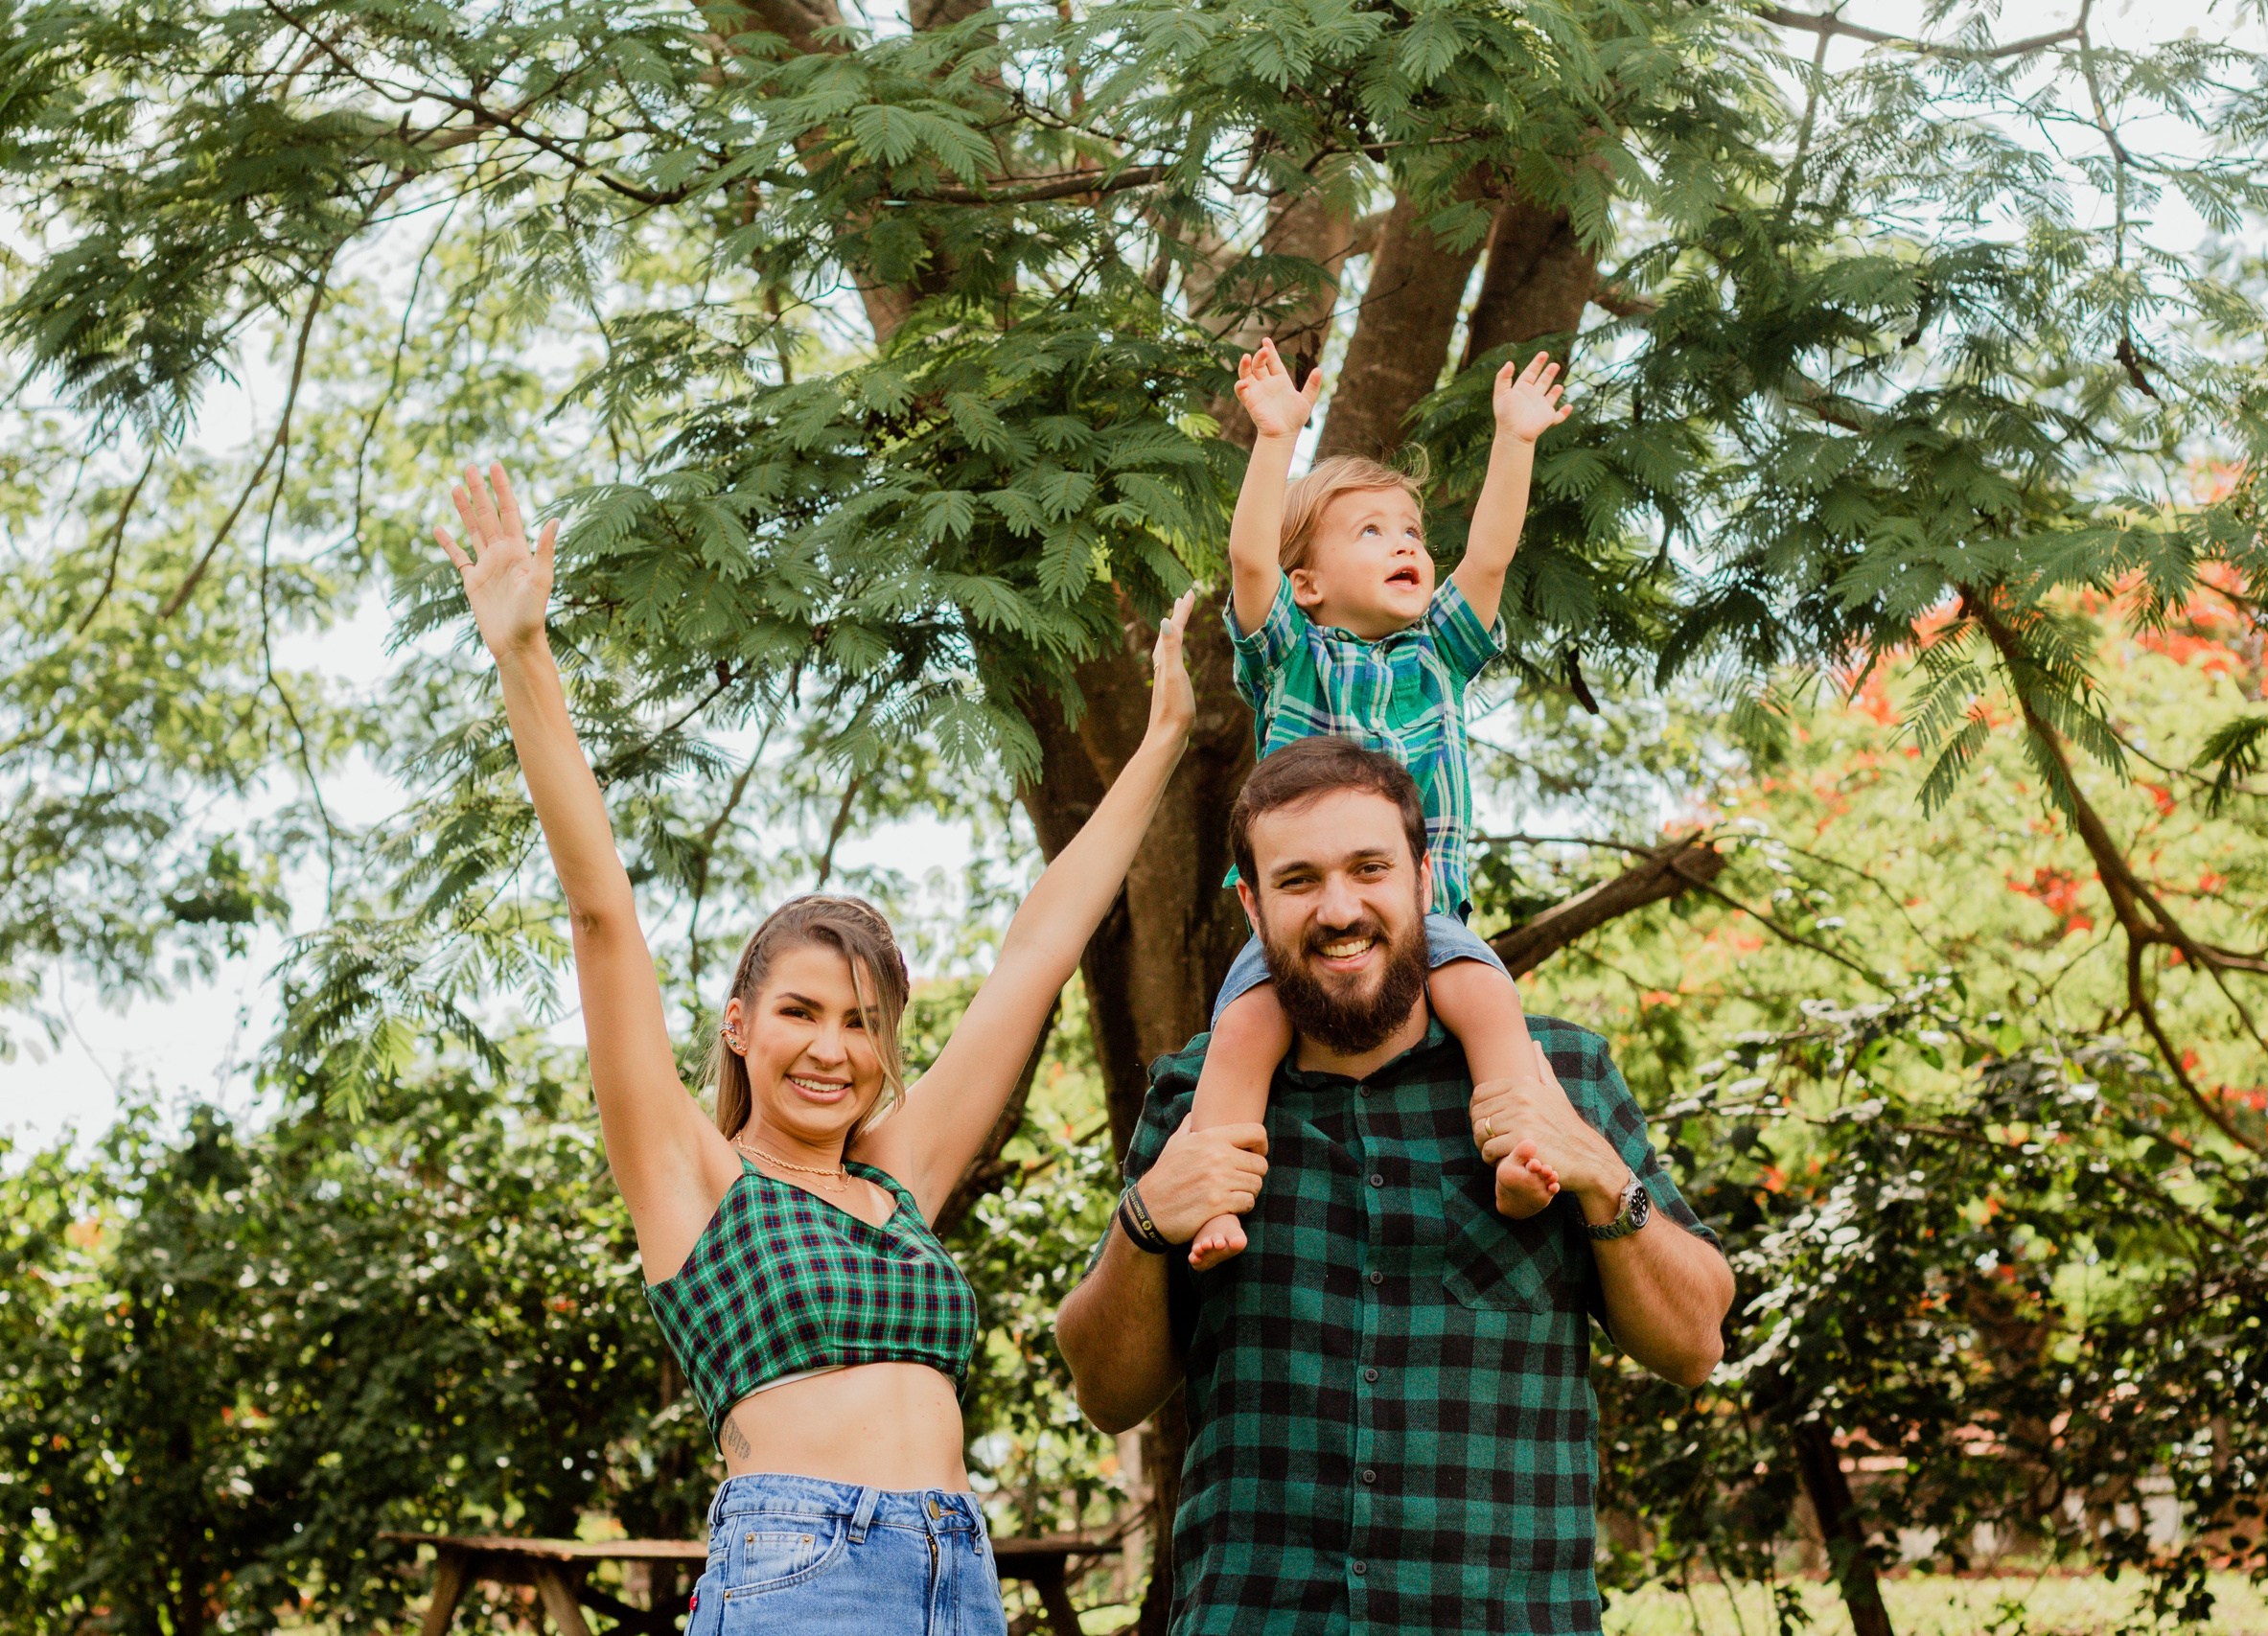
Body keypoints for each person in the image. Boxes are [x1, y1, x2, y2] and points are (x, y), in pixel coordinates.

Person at [435, 463, 1212, 1636]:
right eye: (800, 1012)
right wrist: (524, 654)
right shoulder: (696, 1180)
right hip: (801, 1569)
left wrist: (1161, 741)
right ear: (739, 1026)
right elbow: (602, 915)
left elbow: (1036, 953)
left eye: (862, 1023)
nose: (832, 1049)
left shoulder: (900, 1180)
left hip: (958, 1572)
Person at [1055, 737, 1734, 1636]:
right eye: (1299, 880)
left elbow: (1694, 1342)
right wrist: (1145, 1221)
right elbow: (1107, 1394)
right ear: (1254, 906)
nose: (1340, 908)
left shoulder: (1555, 1071)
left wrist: (1604, 1176)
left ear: (1422, 877)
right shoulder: (1197, 1098)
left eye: (1368, 867)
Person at [1180, 337, 1574, 1270]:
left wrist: (1515, 442)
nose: (1405, 542)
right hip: (1299, 926)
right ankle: (1211, 1191)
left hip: (1426, 918)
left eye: (1410, 531)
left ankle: (1519, 1148)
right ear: (1307, 584)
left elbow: (1487, 555)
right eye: (1370, 532)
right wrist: (1275, 436)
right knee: (1241, 1028)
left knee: (1483, 994)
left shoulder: (1436, 656)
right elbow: (1247, 565)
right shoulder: (1293, 655)